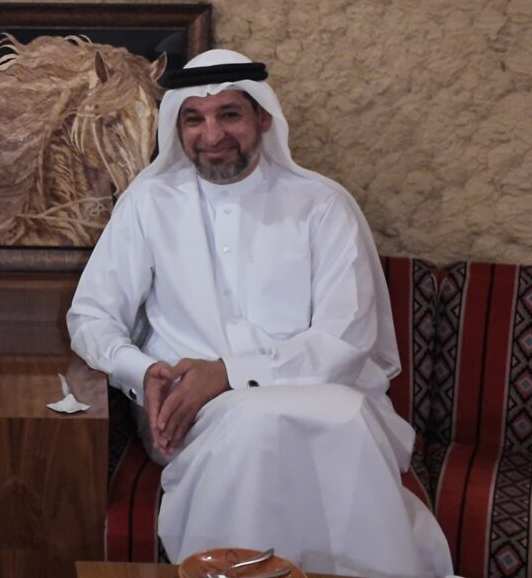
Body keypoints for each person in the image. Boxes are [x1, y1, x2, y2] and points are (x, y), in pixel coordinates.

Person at [67, 49, 454, 577]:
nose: (212, 134)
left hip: (326, 395)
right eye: (194, 118)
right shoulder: (149, 203)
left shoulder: (323, 205)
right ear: (177, 126)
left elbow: (345, 340)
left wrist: (229, 372)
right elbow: (90, 316)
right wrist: (142, 371)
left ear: (263, 118)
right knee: (252, 426)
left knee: (333, 423)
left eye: (229, 114)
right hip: (197, 414)